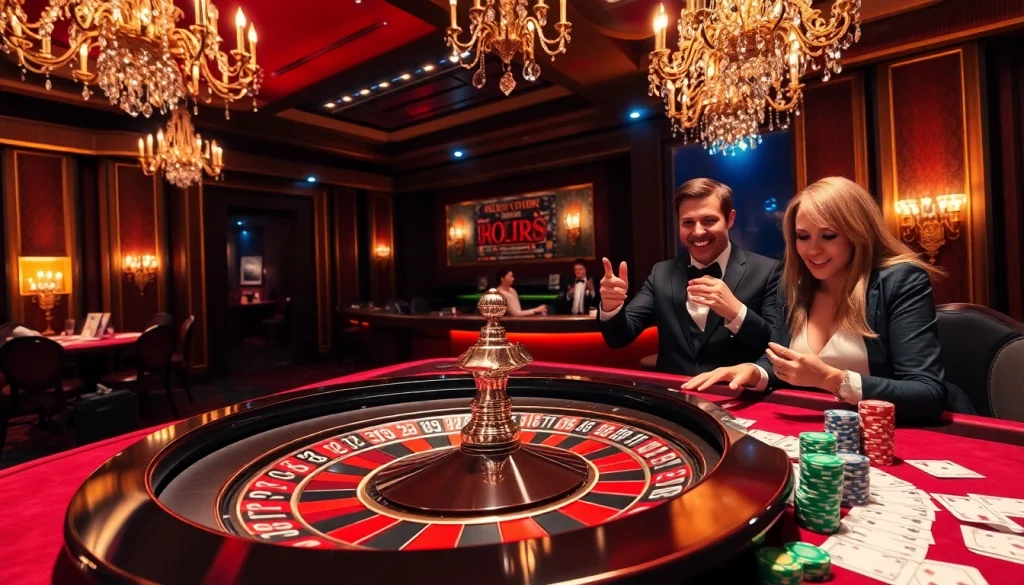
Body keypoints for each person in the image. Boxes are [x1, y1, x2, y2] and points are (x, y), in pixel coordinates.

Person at [683, 177, 974, 421]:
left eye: (829, 236)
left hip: (892, 435)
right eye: (803, 236)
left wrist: (832, 380)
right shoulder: (793, 285)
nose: (812, 250)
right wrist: (755, 371)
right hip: (815, 434)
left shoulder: (900, 281)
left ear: (857, 234)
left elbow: (928, 394)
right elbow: (785, 363)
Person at [599, 178, 782, 375]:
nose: (698, 232)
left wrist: (736, 312)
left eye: (709, 220)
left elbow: (776, 347)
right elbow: (619, 338)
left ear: (730, 219)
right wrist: (611, 307)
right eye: (688, 222)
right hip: (673, 398)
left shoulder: (768, 271)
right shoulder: (661, 273)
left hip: (738, 398)